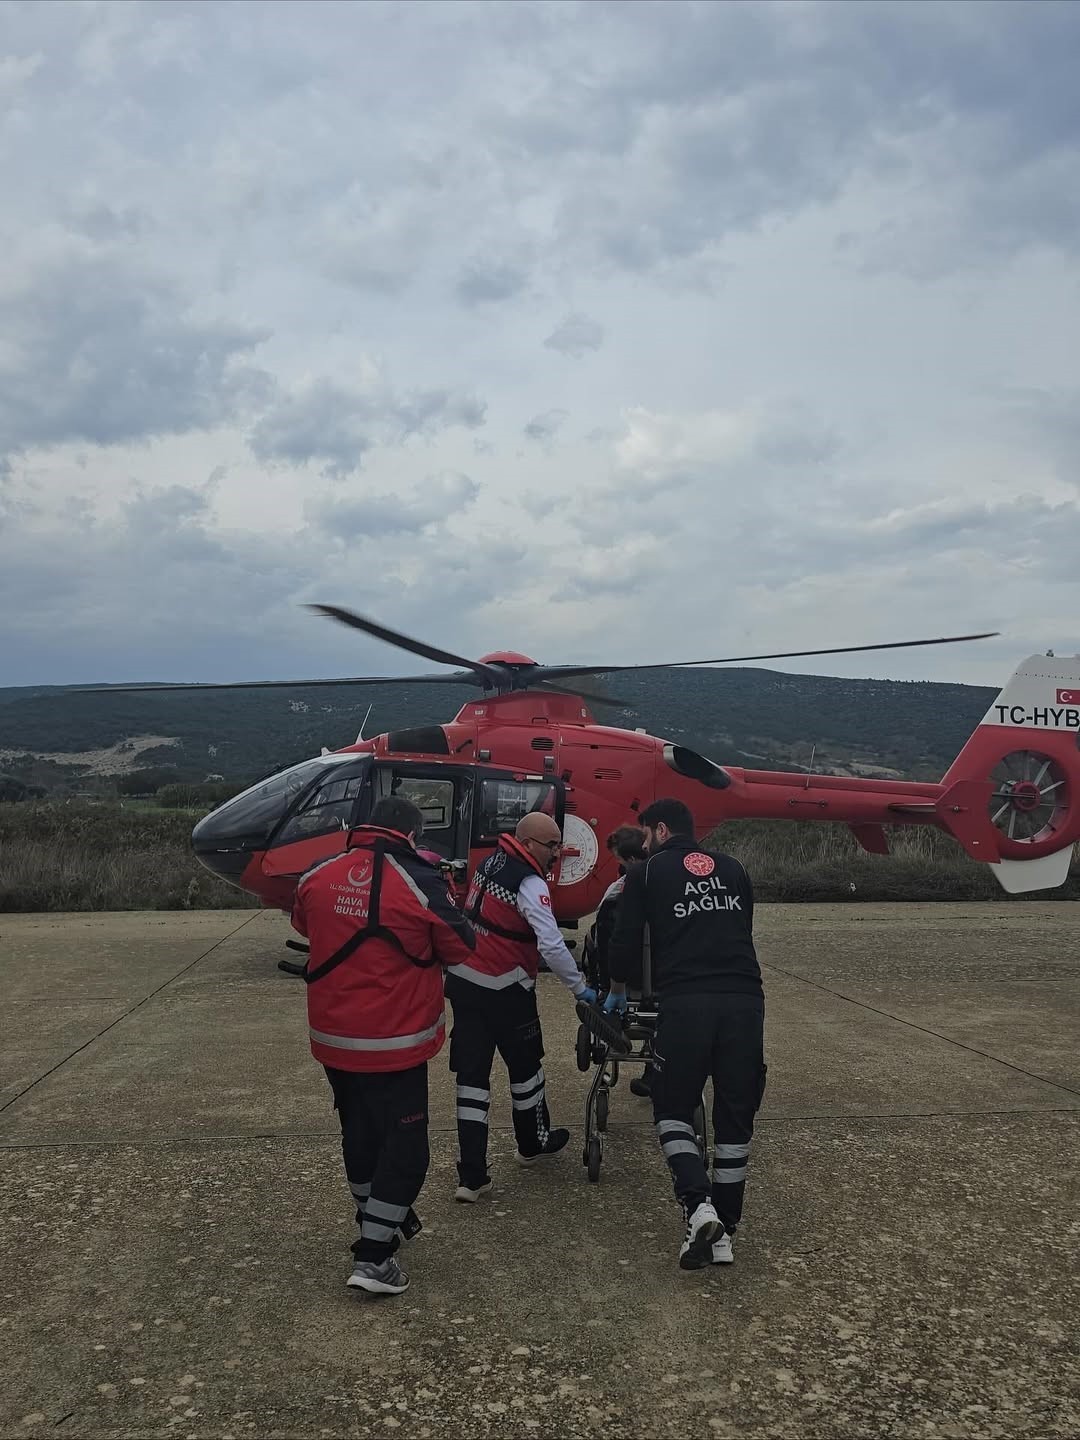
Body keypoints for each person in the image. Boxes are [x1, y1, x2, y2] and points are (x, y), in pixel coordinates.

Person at [291, 796, 477, 1297]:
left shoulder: (317, 874)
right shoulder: (423, 879)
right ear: (412, 835)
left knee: (360, 1133)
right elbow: (461, 946)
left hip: (333, 1039)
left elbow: (303, 925)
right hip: (395, 1041)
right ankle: (374, 1257)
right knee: (407, 1150)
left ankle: (375, 1217)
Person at [605, 798, 766, 1272]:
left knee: (673, 1107)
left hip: (686, 1002)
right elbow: (743, 929)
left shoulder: (647, 874)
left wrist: (617, 988)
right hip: (745, 1002)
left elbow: (625, 941)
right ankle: (724, 1235)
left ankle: (699, 1207)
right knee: (735, 1117)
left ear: (658, 831)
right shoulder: (735, 868)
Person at [447, 810, 597, 1201]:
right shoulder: (529, 883)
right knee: (527, 1070)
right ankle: (532, 1144)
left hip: (465, 985)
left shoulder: (491, 861)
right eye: (551, 846)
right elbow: (550, 943)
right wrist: (579, 987)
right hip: (507, 990)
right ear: (529, 843)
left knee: (471, 1080)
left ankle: (472, 1176)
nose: (556, 854)